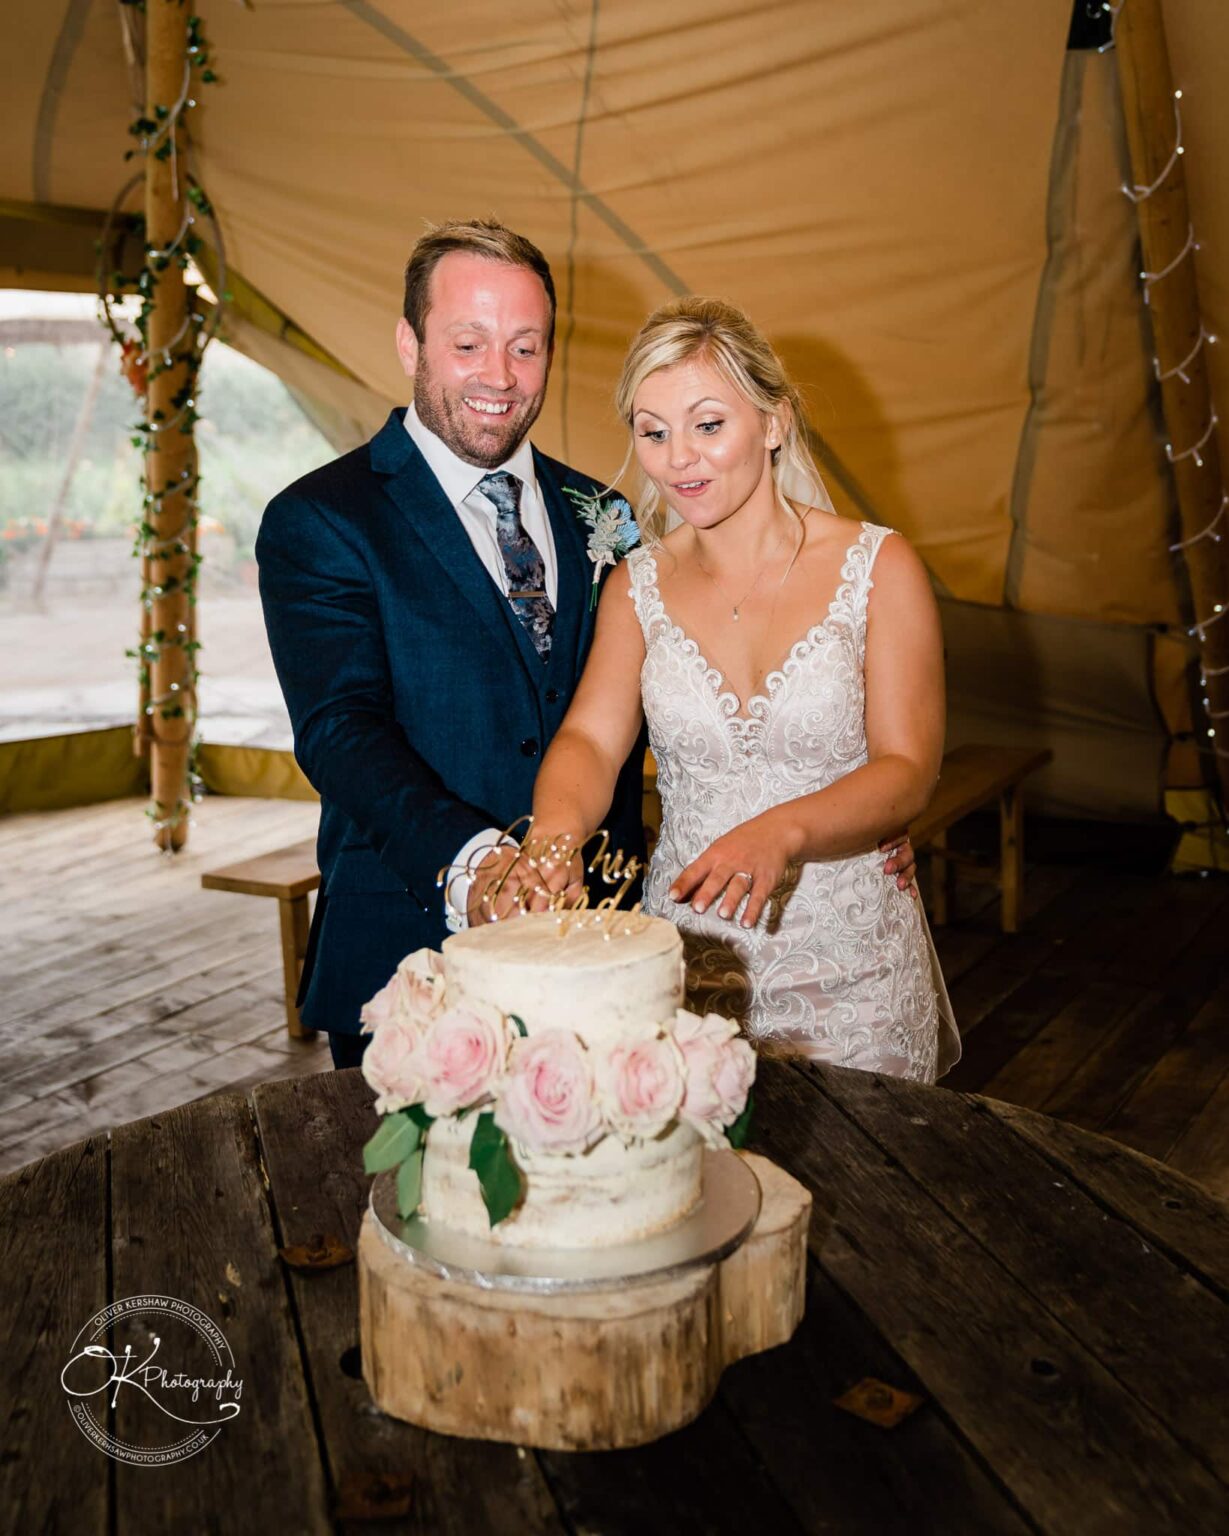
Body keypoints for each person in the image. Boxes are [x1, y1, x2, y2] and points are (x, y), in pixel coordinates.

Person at [257, 224, 918, 1069]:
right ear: (409, 343)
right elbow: (339, 731)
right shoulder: (323, 518)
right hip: (412, 948)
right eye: (468, 343)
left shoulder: (602, 517)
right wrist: (485, 864)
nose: (499, 375)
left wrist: (854, 813)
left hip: (615, 947)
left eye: (525, 347)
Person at [528, 297, 959, 1082]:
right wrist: (551, 843)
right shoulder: (635, 588)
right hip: (691, 965)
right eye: (652, 432)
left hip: (852, 970)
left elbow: (906, 768)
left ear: (773, 422)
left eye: (707, 424)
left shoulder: (880, 568)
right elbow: (590, 739)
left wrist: (784, 832)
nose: (678, 459)